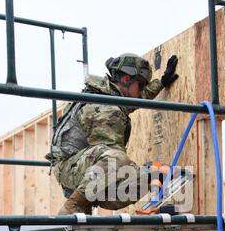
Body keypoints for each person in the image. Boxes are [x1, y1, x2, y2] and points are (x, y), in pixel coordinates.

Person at [47, 53, 179, 214]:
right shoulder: (106, 108)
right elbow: (113, 157)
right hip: (70, 168)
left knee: (141, 176)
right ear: (126, 79)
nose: (143, 90)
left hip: (89, 169)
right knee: (119, 160)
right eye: (142, 85)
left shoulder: (112, 96)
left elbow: (135, 99)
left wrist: (161, 83)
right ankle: (74, 206)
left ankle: (85, 201)